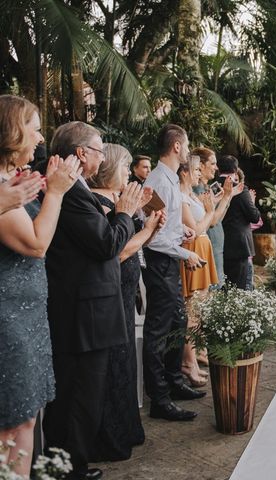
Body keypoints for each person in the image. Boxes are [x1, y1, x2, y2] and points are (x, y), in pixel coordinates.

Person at [43, 121, 143, 480]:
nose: (103, 156)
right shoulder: (70, 193)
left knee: (82, 394)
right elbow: (106, 244)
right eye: (99, 149)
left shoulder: (76, 189)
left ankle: (69, 465)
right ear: (82, 153)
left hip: (89, 308)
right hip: (82, 312)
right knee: (78, 397)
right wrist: (125, 214)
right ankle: (67, 470)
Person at [0, 95, 80, 476]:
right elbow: (36, 244)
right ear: (14, 131)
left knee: (27, 418)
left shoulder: (8, 182)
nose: (39, 136)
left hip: (27, 316)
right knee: (14, 423)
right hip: (8, 319)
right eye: (33, 127)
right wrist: (57, 193)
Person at [87, 144, 165, 461]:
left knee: (125, 363)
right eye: (125, 166)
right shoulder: (101, 205)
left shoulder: (117, 203)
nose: (128, 173)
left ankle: (127, 428)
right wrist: (144, 229)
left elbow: (133, 242)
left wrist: (149, 230)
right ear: (110, 169)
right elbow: (117, 253)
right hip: (112, 290)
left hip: (126, 289)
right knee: (115, 364)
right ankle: (111, 437)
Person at [141, 124, 207, 422]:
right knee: (159, 332)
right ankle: (160, 398)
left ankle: (175, 381)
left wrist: (184, 228)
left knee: (178, 322)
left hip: (169, 261)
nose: (188, 148)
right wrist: (187, 252)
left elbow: (165, 227)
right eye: (187, 143)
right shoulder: (160, 181)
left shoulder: (166, 179)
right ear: (177, 146)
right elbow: (154, 238)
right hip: (161, 264)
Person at [178, 155, 233, 386]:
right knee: (192, 310)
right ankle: (187, 362)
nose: (199, 174)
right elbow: (198, 227)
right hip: (192, 250)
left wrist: (224, 198)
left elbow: (210, 220)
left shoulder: (191, 195)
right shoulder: (181, 197)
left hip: (202, 249)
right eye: (196, 170)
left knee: (201, 308)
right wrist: (210, 211)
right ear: (184, 173)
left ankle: (198, 352)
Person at [216, 155, 260, 289]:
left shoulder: (213, 187)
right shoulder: (241, 189)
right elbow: (255, 217)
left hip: (219, 244)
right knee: (240, 290)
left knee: (224, 289)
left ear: (218, 170)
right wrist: (252, 202)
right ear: (235, 170)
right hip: (239, 247)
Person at [192, 147, 226, 289]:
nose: (216, 168)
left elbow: (218, 219)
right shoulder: (198, 190)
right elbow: (211, 221)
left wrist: (226, 199)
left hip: (216, 248)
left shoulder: (207, 188)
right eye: (212, 163)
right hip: (208, 248)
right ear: (201, 165)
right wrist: (227, 198)